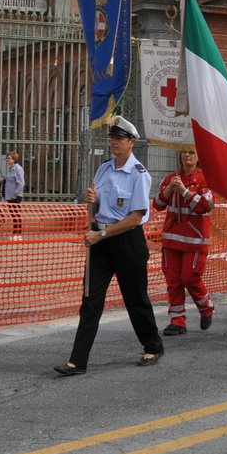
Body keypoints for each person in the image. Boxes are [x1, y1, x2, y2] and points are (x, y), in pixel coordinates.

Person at [54, 116, 163, 375]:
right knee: (91, 300)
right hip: (101, 241)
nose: (113, 142)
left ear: (132, 142)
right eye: (112, 138)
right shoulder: (104, 168)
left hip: (125, 241)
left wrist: (101, 234)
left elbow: (135, 218)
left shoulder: (139, 175)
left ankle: (152, 344)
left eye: (119, 138)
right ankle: (77, 360)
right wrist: (90, 199)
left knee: (136, 299)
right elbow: (95, 207)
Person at [153, 147, 216, 336]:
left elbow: (205, 206)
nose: (187, 156)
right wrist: (170, 189)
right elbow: (158, 204)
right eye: (184, 152)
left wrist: (184, 191)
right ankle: (177, 320)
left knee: (189, 277)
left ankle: (205, 306)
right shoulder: (171, 178)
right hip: (172, 239)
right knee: (173, 281)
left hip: (195, 240)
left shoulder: (205, 180)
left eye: (191, 152)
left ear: (198, 157)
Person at [2, 150, 25, 238]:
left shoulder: (18, 169)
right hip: (10, 196)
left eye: (9, 158)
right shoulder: (11, 168)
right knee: (14, 215)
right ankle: (15, 233)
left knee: (16, 215)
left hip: (15, 196)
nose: (7, 160)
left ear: (14, 159)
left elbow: (21, 183)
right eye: (7, 158)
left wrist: (15, 194)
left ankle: (18, 234)